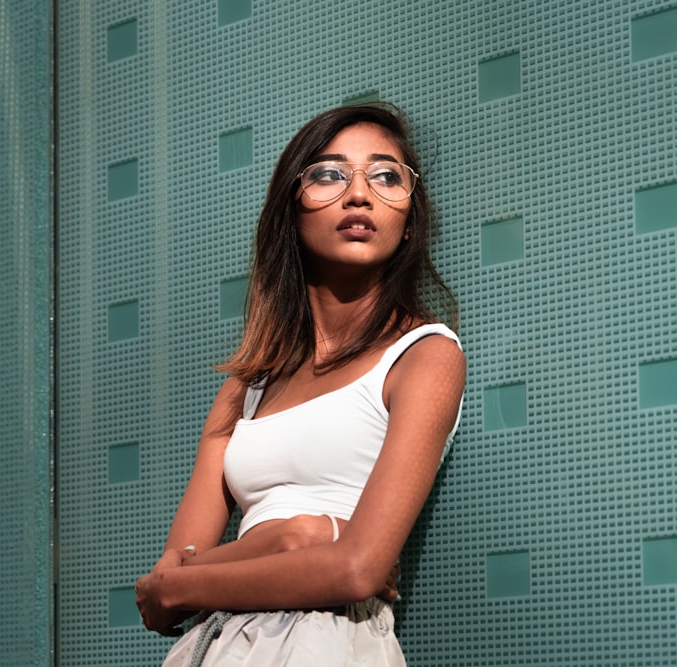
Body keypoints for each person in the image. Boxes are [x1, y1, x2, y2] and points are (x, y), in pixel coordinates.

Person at [135, 102, 466, 666]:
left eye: (386, 176)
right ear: (291, 207)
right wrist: (291, 539)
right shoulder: (247, 385)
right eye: (329, 173)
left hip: (330, 645)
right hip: (211, 649)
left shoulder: (426, 355)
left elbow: (358, 569)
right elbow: (159, 598)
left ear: (409, 220)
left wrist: (189, 578)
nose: (359, 194)